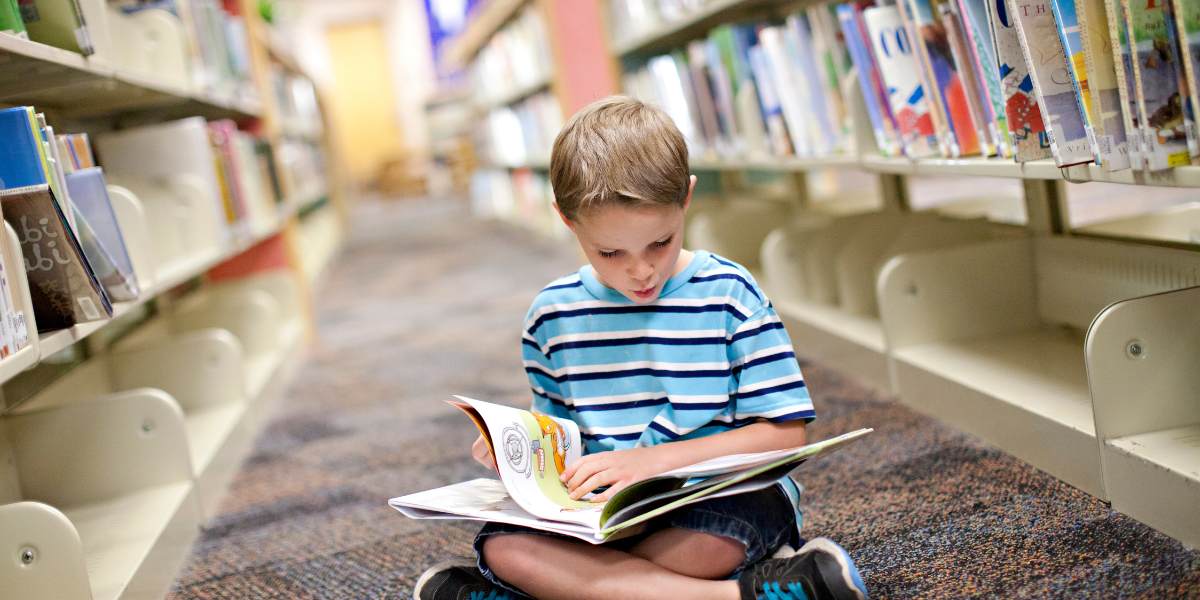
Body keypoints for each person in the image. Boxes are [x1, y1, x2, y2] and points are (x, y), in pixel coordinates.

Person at [413, 96, 867, 600]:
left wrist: (651, 462)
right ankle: (742, 594)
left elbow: (785, 436)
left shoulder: (729, 294)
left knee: (710, 546)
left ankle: (566, 589)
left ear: (686, 198)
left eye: (660, 242)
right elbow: (564, 442)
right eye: (610, 253)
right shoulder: (552, 317)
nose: (641, 271)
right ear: (567, 220)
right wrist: (522, 453)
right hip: (606, 517)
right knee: (505, 548)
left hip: (719, 501)